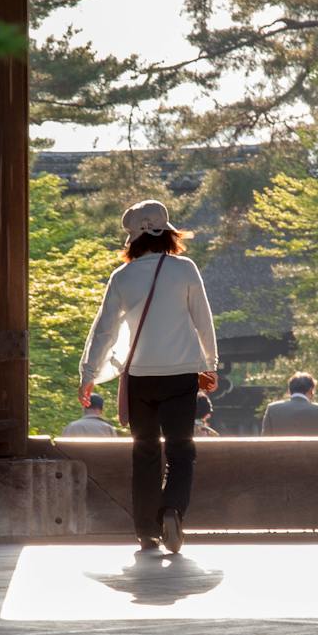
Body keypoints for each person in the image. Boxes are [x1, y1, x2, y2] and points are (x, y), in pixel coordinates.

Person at [79, 200, 218, 555]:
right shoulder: (185, 269)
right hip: (182, 374)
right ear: (169, 233)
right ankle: (172, 509)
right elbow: (203, 318)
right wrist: (211, 364)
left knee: (144, 453)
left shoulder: (122, 277)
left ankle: (145, 530)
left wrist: (89, 374)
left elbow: (104, 331)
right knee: (181, 451)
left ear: (133, 239)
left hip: (140, 376)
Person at [261, 371, 318, 437]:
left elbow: (264, 441)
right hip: (313, 454)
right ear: (311, 390)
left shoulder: (272, 409)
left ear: (289, 390)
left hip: (280, 454)